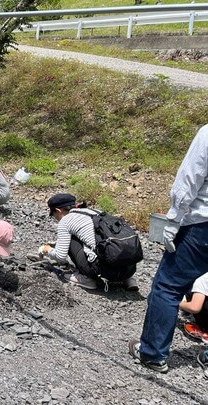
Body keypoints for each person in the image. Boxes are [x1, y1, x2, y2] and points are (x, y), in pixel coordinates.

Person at [130, 124, 208, 374]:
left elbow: (188, 180)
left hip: (201, 224)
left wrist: (174, 221)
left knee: (168, 286)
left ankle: (152, 353)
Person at [40, 193, 138, 291]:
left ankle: (87, 279)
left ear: (58, 210)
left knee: (70, 239)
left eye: (53, 215)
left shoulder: (65, 221)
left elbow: (60, 256)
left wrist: (46, 249)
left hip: (104, 273)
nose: (55, 218)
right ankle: (127, 279)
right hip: (129, 269)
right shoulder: (94, 212)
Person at [180, 272, 208, 342]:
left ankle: (204, 330)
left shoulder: (203, 277)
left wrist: (179, 303)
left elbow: (194, 308)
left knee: (190, 292)